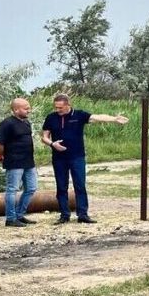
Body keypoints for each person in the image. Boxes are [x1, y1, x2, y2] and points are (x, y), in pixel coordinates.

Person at [41, 93, 128, 224]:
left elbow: (97, 117)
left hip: (77, 157)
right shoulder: (51, 118)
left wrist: (114, 119)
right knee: (61, 186)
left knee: (80, 185)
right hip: (59, 158)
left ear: (68, 105)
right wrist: (52, 144)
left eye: (60, 107)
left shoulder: (79, 115)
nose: (57, 110)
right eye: (56, 107)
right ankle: (64, 215)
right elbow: (44, 137)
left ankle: (82, 214)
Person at [0, 98, 38, 227]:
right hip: (14, 161)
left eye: (29, 108)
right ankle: (10, 218)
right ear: (16, 109)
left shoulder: (26, 122)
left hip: (29, 161)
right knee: (12, 189)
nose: (29, 110)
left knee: (32, 188)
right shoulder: (7, 124)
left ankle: (19, 214)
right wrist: (2, 155)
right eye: (26, 108)